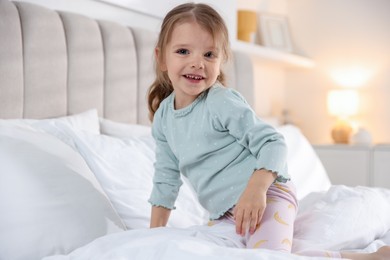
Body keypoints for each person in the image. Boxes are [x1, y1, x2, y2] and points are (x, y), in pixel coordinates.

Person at [147, 3, 390, 259]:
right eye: (183, 51)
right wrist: (152, 236)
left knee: (268, 256)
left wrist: (256, 189)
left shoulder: (220, 102)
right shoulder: (163, 118)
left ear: (221, 60)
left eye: (209, 54)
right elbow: (165, 180)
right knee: (277, 252)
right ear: (161, 58)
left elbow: (273, 143)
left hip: (268, 193)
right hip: (225, 214)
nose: (197, 63)